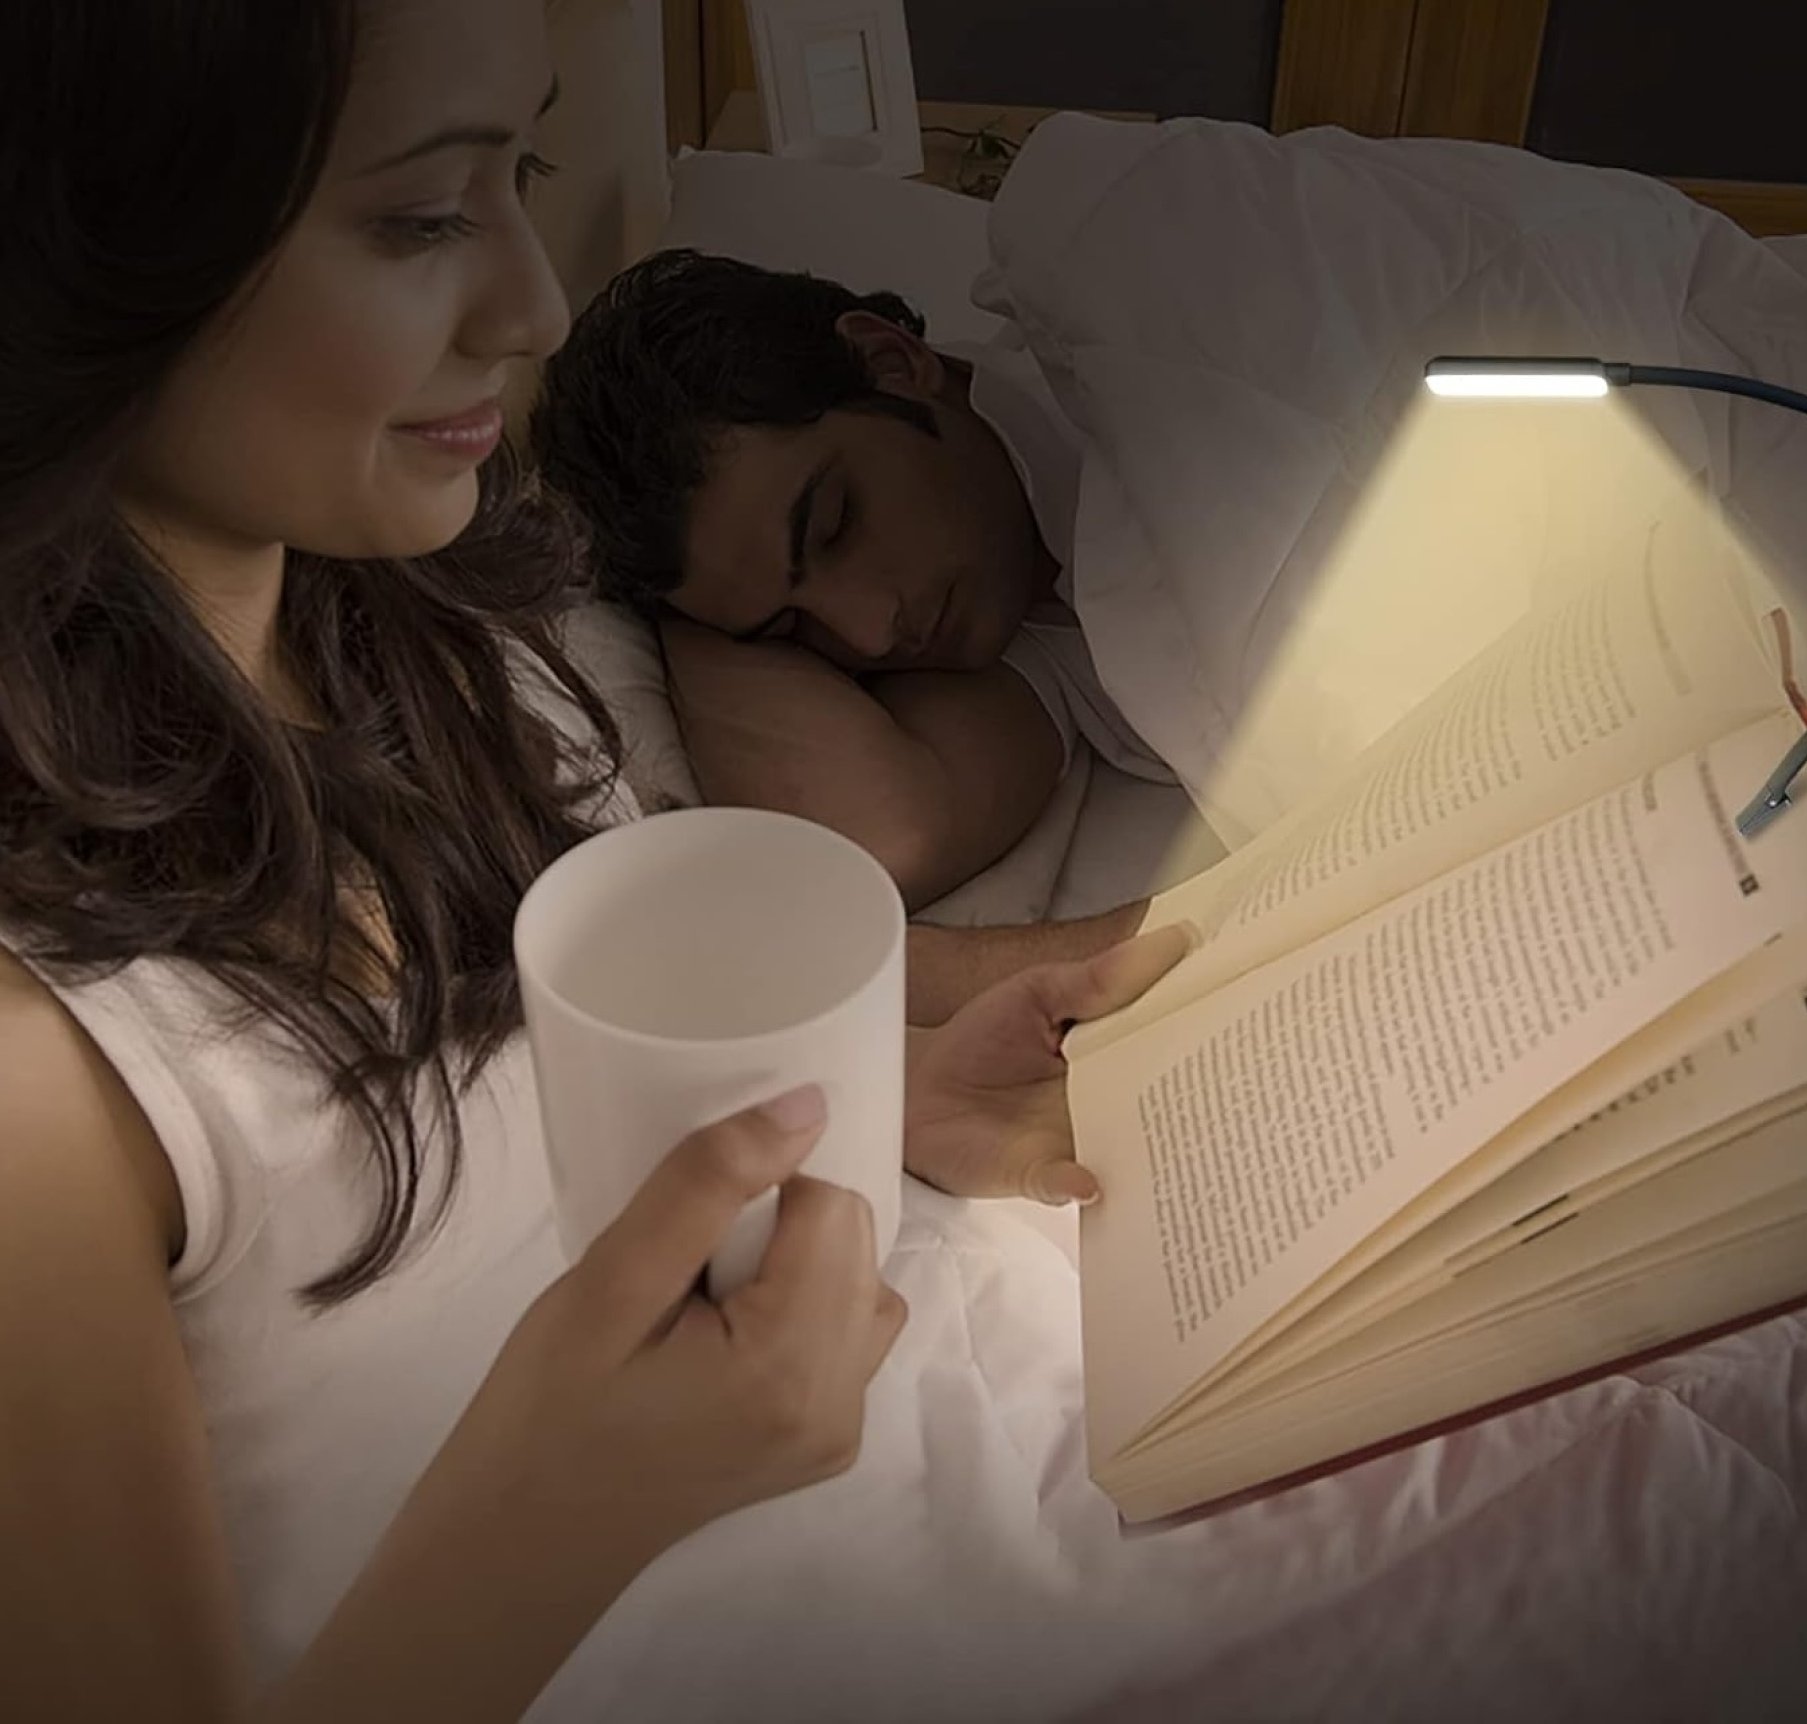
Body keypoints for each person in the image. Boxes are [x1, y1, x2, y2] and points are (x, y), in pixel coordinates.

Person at [0, 3, 1189, 1718]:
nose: (533, 304)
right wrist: (558, 1514)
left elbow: (561, 1090)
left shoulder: (448, 653)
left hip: (957, 1498)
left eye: (525, 169)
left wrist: (900, 1087)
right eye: (421, 218)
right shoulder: (49, 1071)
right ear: (89, 261)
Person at [529, 249, 1181, 919]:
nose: (869, 633)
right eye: (788, 629)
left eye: (836, 524)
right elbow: (880, 841)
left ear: (891, 363)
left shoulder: (1154, 333)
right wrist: (685, 611)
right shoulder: (1021, 642)